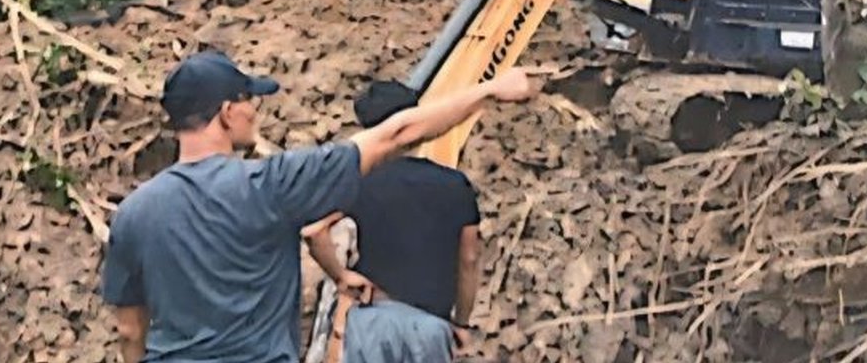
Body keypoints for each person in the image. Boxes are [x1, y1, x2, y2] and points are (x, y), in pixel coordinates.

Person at [100, 49, 538, 363]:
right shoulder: (272, 184)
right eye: (250, 100)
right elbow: (396, 135)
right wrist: (491, 89)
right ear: (227, 111)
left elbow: (129, 329)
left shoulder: (135, 213)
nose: (256, 111)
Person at [303, 80, 484, 363]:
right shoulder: (455, 185)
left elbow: (314, 231)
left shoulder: (358, 182)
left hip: (371, 320)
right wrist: (461, 322)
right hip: (429, 327)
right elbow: (470, 258)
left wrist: (341, 275)